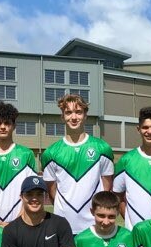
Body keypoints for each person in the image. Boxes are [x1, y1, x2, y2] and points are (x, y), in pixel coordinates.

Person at [41, 94, 114, 234]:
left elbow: (106, 190)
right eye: (68, 112)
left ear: (85, 115)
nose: (74, 117)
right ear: (62, 117)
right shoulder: (50, 153)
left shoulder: (102, 149)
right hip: (63, 225)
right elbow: (52, 193)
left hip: (94, 226)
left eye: (78, 112)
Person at [0, 101, 37, 226]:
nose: (3, 127)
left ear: (14, 126)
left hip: (20, 224)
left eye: (7, 123)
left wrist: (16, 222)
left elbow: (32, 192)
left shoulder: (26, 155)